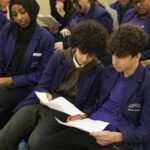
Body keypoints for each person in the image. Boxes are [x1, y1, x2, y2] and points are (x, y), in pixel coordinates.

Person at [28, 24, 150, 150]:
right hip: (92, 126)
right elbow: (94, 103)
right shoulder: (107, 73)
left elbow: (146, 129)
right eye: (113, 54)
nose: (114, 61)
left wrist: (119, 136)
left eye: (121, 57)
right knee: (42, 146)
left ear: (137, 56)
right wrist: (83, 115)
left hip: (119, 136)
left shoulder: (146, 84)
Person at [0, 20, 108, 150]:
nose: (85, 59)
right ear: (75, 46)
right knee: (5, 136)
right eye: (82, 52)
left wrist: (83, 115)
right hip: (41, 102)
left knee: (36, 142)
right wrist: (44, 94)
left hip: (65, 112)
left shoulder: (98, 70)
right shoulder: (59, 57)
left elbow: (93, 102)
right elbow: (43, 84)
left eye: (90, 56)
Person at [0, 0, 54, 128]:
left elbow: (42, 75)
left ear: (31, 10)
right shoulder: (8, 30)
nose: (19, 18)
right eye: (14, 14)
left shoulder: (46, 39)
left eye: (22, 12)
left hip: (26, 86)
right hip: (4, 80)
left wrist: (10, 80)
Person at [122, 0, 150, 68]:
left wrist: (133, 58)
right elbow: (120, 34)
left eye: (141, 1)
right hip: (123, 55)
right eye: (135, 2)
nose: (138, 5)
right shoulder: (130, 13)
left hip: (142, 59)